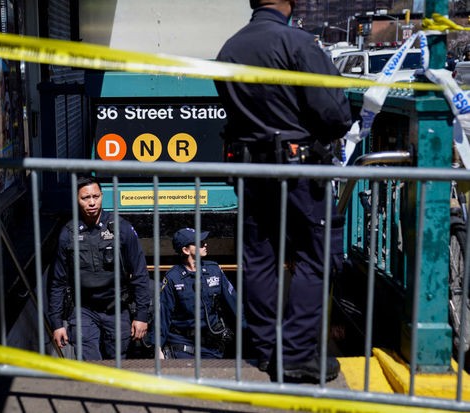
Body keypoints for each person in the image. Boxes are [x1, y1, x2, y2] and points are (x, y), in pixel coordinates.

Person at [215, 0, 352, 382]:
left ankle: (268, 351)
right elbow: (335, 114)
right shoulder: (297, 43)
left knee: (259, 257)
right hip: (299, 170)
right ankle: (294, 354)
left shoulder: (230, 49)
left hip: (251, 170)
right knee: (319, 255)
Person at [47, 176, 150, 360]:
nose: (92, 202)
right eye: (85, 198)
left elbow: (140, 274)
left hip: (117, 308)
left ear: (102, 196)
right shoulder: (67, 234)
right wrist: (56, 323)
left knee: (118, 361)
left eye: (96, 196)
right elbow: (57, 281)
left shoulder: (121, 229)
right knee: (90, 364)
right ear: (76, 200)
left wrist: (141, 315)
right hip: (83, 309)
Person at [155, 228, 241, 359]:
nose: (205, 244)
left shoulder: (214, 270)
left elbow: (234, 303)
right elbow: (163, 314)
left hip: (212, 344)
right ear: (186, 250)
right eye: (199, 243)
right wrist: (158, 347)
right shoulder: (173, 277)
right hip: (182, 344)